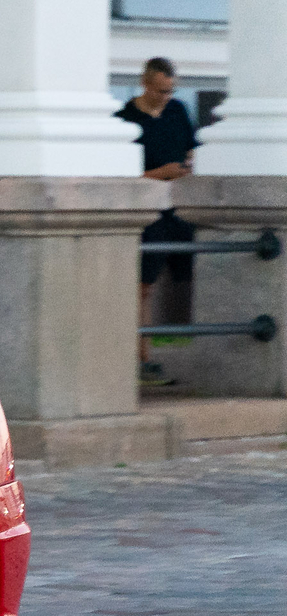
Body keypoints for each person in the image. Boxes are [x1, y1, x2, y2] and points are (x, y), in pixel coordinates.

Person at [120, 57, 200, 379]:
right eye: (160, 91)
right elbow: (123, 176)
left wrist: (189, 165)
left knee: (181, 275)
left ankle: (149, 355)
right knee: (142, 286)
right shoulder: (125, 119)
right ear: (145, 84)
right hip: (146, 210)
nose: (165, 97)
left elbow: (191, 148)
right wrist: (159, 174)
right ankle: (141, 357)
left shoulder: (178, 111)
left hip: (177, 208)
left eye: (170, 91)